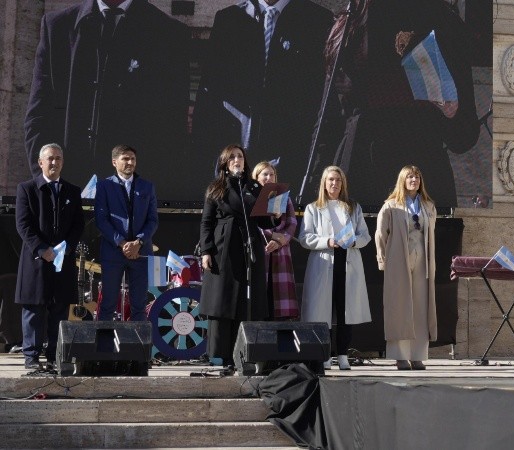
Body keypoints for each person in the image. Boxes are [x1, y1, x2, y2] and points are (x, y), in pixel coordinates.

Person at [24, 0, 191, 200]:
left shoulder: (169, 34)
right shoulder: (58, 27)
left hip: (131, 203)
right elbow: (38, 118)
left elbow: (171, 130)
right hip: (65, 198)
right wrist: (48, 184)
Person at [320, 0, 480, 207]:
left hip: (421, 179)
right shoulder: (350, 23)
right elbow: (327, 123)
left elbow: (464, 135)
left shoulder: (443, 24)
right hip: (361, 177)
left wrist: (452, 111)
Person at [193, 0, 332, 191]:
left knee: (274, 215)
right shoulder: (229, 19)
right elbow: (210, 91)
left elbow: (319, 95)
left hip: (286, 150)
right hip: (238, 143)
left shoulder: (316, 20)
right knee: (234, 213)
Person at [14, 144, 85, 369]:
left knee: (59, 310)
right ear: (40, 162)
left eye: (58, 159)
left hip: (62, 261)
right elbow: (23, 224)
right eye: (50, 159)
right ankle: (32, 358)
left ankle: (55, 357)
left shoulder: (72, 191)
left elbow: (78, 225)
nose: (54, 163)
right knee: (34, 311)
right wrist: (41, 248)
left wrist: (64, 249)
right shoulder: (27, 189)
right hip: (35, 260)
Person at [199, 145, 269, 367]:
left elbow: (264, 221)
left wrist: (274, 214)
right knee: (223, 299)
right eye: (232, 158)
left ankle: (244, 353)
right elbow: (206, 222)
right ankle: (219, 355)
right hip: (224, 246)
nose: (237, 160)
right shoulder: (216, 187)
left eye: (240, 156)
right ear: (225, 163)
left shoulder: (254, 186)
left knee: (246, 300)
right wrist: (206, 250)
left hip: (249, 246)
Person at [299, 166, 371, 370]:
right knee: (323, 312)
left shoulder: (353, 206)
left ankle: (342, 355)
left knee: (345, 311)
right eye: (331, 179)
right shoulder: (314, 208)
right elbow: (305, 238)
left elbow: (365, 235)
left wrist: (353, 241)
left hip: (347, 261)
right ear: (324, 182)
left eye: (338, 180)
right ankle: (325, 355)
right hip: (324, 261)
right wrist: (328, 241)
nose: (334, 183)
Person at [376, 165, 437, 370]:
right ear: (402, 180)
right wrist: (384, 259)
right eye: (410, 176)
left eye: (417, 177)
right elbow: (380, 234)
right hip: (398, 257)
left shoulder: (428, 206)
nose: (414, 180)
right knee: (400, 305)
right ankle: (400, 355)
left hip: (422, 256)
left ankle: (417, 355)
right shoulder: (391, 205)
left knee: (420, 305)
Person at [94, 144, 158, 321]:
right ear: (114, 162)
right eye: (125, 159)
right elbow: (101, 220)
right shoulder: (104, 185)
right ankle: (104, 347)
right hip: (113, 252)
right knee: (108, 303)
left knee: (139, 304)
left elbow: (153, 220)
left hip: (141, 253)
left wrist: (138, 243)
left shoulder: (147, 186)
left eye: (133, 159)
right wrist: (122, 243)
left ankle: (138, 348)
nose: (130, 162)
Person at [252, 161, 299, 320]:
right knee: (259, 300)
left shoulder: (283, 197)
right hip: (260, 251)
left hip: (280, 253)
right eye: (265, 174)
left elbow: (292, 223)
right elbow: (252, 225)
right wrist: (268, 238)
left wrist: (279, 241)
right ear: (256, 177)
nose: (269, 177)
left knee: (278, 304)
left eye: (271, 174)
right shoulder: (251, 198)